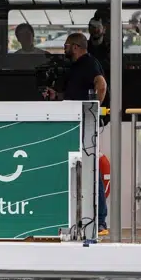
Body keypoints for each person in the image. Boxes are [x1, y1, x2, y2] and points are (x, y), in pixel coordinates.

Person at [43, 31, 109, 235]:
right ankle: (79, 217)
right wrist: (57, 95)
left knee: (91, 168)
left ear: (76, 47)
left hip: (84, 122)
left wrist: (94, 109)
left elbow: (101, 85)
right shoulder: (76, 67)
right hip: (74, 121)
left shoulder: (89, 63)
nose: (64, 49)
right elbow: (75, 94)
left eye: (66, 46)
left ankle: (100, 221)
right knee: (81, 167)